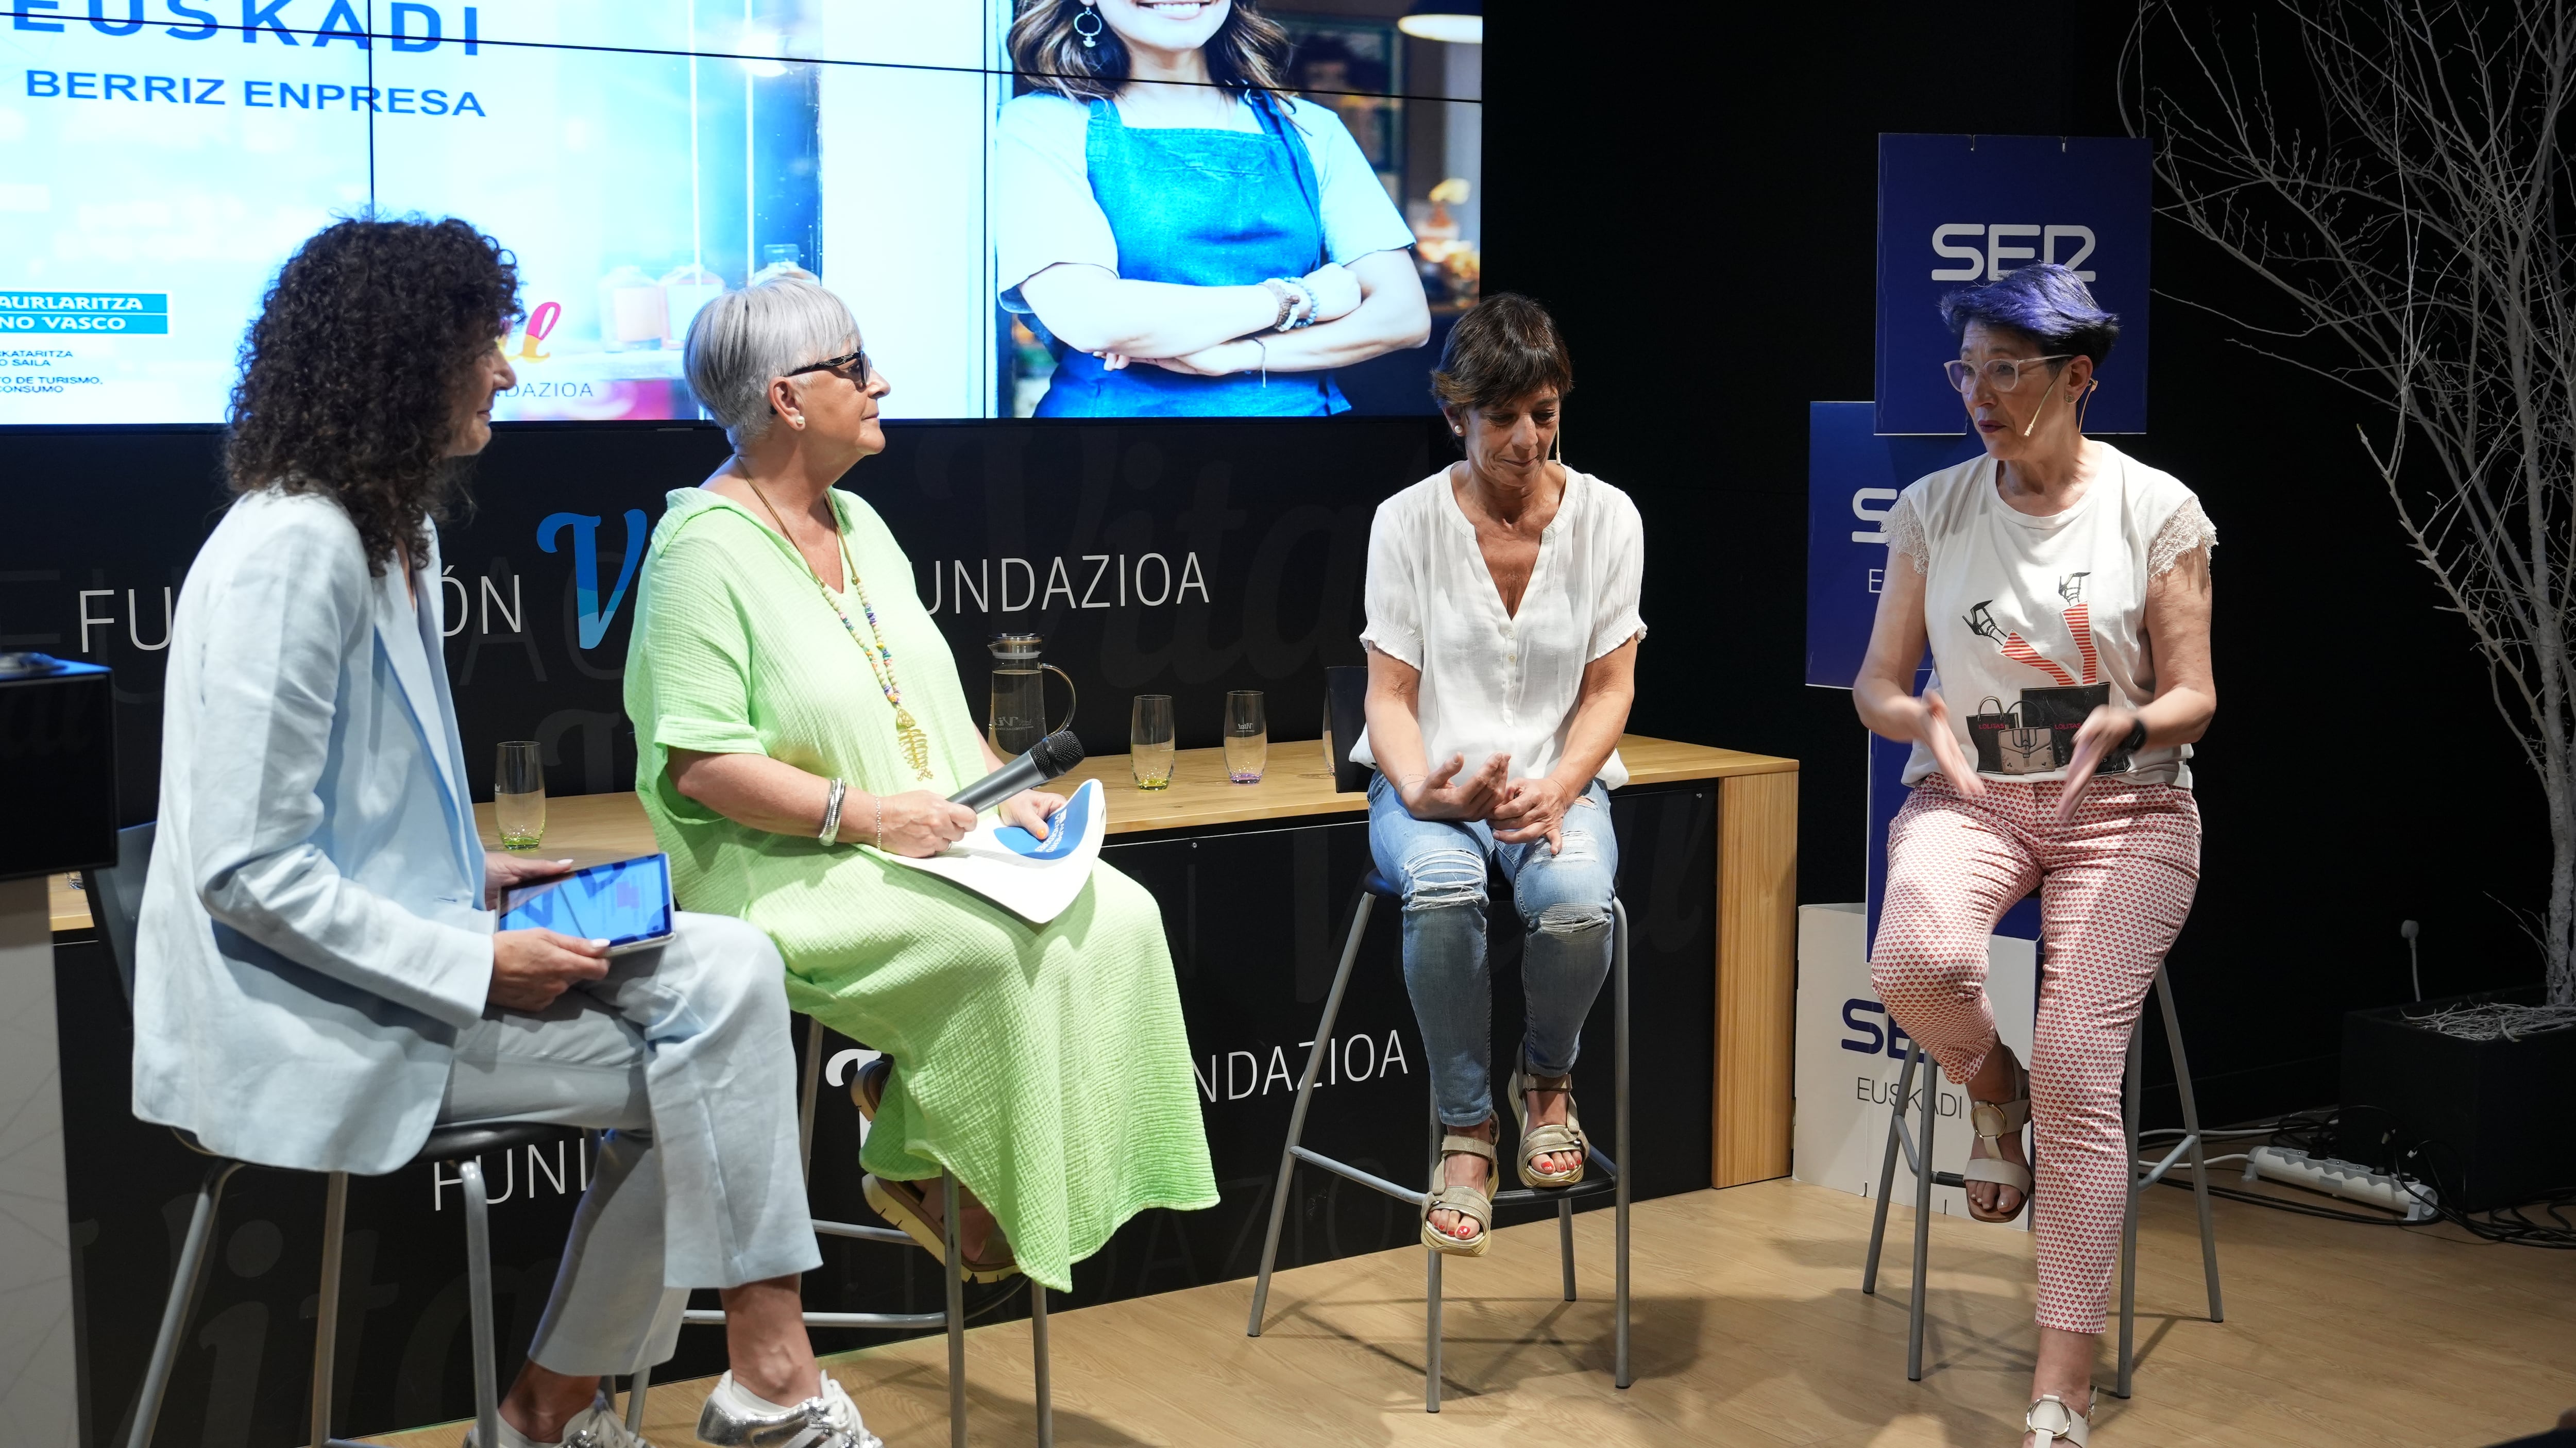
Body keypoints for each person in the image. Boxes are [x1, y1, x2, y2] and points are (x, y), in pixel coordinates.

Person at [132, 220, 885, 1448]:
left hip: (404, 944)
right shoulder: (292, 551)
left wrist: (466, 874)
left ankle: (664, 1397)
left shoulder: (394, 531)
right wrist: (475, 956)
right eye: (484, 345)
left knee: (730, 965)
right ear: (403, 359)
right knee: (698, 1074)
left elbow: (320, 822)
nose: (507, 370)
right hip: (302, 1014)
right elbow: (243, 867)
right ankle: (630, 1401)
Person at [622, 277, 1218, 1294]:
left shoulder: (858, 523)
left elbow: (921, 703)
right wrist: (865, 817)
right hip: (783, 870)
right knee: (992, 952)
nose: (881, 383)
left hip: (928, 837)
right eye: (855, 368)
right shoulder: (699, 554)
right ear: (786, 399)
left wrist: (1000, 787)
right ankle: (922, 1154)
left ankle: (911, 1116)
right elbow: (702, 763)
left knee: (1125, 916)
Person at [1852, 263, 2218, 1448]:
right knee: (1910, 959)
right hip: (1976, 799)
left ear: (2078, 377)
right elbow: (1874, 681)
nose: (1979, 392)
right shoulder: (1933, 509)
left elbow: (2198, 696)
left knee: (2078, 1060)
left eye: (2006, 368)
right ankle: (1987, 1091)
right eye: (1967, 368)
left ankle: (2058, 1378)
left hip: (2129, 813)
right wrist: (1911, 715)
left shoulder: (2155, 509)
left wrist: (2132, 720)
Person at [1351, 294, 1644, 1256]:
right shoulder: (1406, 522)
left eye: (1546, 416)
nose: (1528, 440)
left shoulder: (1608, 518)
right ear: (1457, 416)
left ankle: (1547, 1080)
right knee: (1441, 884)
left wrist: (1562, 785)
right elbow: (1389, 697)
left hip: (1554, 782)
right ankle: (1466, 1128)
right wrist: (1428, 792)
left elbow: (1610, 689)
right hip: (1428, 780)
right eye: (1504, 419)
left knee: (1571, 902)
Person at [996, 0, 1431, 416]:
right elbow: (1090, 316)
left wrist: (1235, 356)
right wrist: (1302, 299)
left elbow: (1404, 316)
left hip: (1302, 451)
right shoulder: (1043, 123)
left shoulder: (1314, 128)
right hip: (1108, 451)